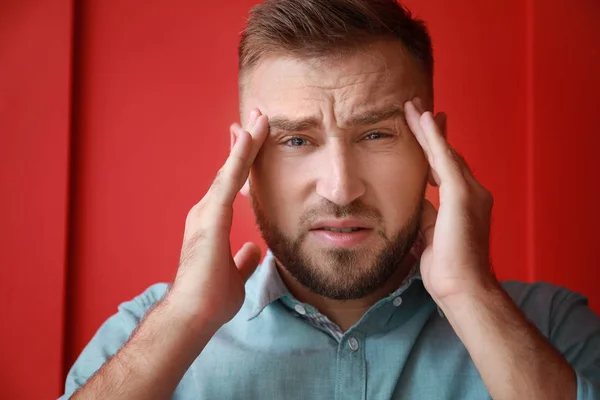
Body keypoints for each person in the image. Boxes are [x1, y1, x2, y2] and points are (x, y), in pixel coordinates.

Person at [60, 0, 600, 399]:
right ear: (241, 164)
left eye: (377, 135)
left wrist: (472, 298)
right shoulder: (141, 339)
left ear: (436, 153)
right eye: (296, 140)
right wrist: (183, 320)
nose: (340, 189)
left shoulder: (551, 328)